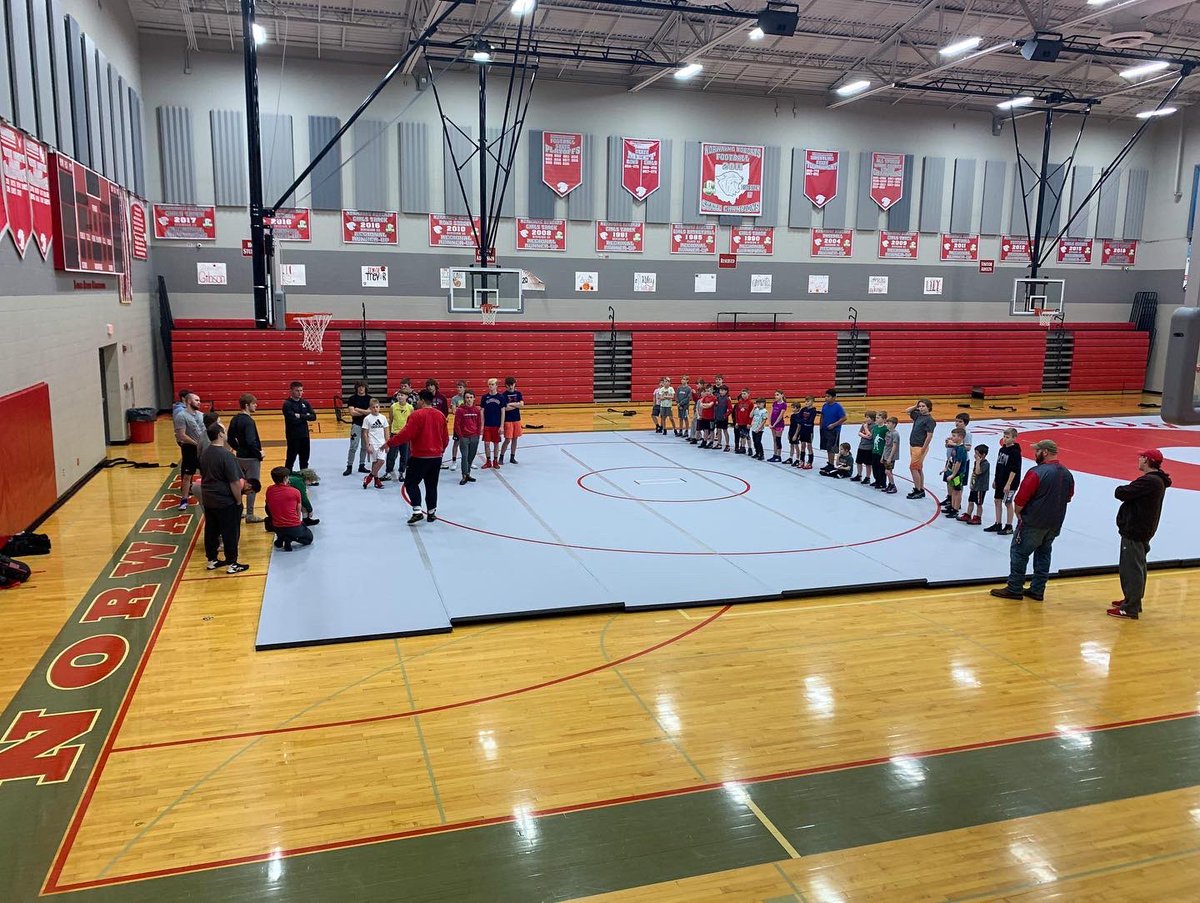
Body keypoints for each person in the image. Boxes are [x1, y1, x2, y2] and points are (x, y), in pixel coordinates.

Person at [990, 439, 1074, 603]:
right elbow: (1069, 497)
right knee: (1044, 553)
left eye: (1037, 451)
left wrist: (1019, 513)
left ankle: (1014, 588)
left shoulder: (1037, 472)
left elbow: (1021, 499)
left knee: (1019, 552)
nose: (1034, 454)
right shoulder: (1067, 473)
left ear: (1044, 452)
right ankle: (1037, 590)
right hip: (1055, 522)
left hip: (1034, 521)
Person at [1109, 449, 1171, 620]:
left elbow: (1121, 492)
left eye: (1141, 457)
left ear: (1147, 460)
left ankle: (1130, 607)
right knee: (1138, 565)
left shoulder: (1149, 481)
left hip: (1136, 529)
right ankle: (1133, 600)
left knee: (1131, 568)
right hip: (1143, 528)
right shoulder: (1156, 480)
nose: (1139, 460)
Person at [387, 389, 449, 525]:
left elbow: (406, 434)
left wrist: (390, 443)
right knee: (431, 485)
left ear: (421, 400)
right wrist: (440, 451)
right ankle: (431, 513)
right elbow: (445, 438)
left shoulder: (416, 415)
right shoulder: (440, 416)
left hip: (420, 457)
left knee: (410, 483)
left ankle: (417, 510)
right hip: (436, 457)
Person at [199, 422, 248, 574]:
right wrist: (238, 501)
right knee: (230, 532)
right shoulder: (227, 456)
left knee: (211, 530)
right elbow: (234, 482)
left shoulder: (205, 453)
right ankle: (232, 563)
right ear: (220, 434)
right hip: (225, 501)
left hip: (208, 498)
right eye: (224, 431)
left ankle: (212, 560)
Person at [227, 393, 265, 523]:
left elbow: (230, 438)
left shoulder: (235, 419)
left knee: (239, 484)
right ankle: (250, 514)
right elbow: (250, 441)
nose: (256, 405)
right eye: (254, 403)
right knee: (251, 485)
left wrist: (238, 449)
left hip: (240, 457)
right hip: (251, 458)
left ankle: (239, 511)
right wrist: (258, 453)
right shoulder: (248, 421)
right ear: (247, 405)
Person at [173, 391, 208, 512]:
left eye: (199, 400)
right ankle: (184, 500)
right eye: (196, 400)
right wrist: (196, 443)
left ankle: (207, 497)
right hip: (189, 449)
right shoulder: (181, 416)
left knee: (206, 473)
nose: (199, 402)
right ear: (189, 401)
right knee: (188, 475)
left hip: (202, 449)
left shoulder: (201, 415)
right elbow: (181, 435)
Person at [264, 466, 314, 551]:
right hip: (293, 526)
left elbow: (269, 506)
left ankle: (282, 537)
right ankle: (290, 538)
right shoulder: (295, 492)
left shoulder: (269, 490)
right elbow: (298, 512)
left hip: (277, 527)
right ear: (285, 478)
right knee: (309, 538)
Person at [985, 428, 1022, 535]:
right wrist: (995, 479)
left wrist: (1008, 484)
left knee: (1008, 502)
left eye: (1007, 437)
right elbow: (998, 466)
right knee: (997, 500)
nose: (1005, 439)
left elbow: (1014, 470)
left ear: (1014, 438)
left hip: (1010, 483)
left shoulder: (1015, 452)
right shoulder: (1002, 450)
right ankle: (998, 523)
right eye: (1004, 437)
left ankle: (1009, 526)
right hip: (1000, 480)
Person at [282, 381, 318, 471]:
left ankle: (305, 478)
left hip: (305, 435)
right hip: (293, 436)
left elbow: (313, 417)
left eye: (301, 390)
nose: (299, 393)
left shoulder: (305, 403)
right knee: (291, 459)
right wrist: (305, 416)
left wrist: (300, 415)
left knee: (305, 459)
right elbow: (292, 420)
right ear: (291, 391)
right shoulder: (287, 404)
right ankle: (286, 479)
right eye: (297, 390)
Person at [905, 399, 936, 500]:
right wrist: (916, 405)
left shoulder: (929, 420)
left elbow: (929, 436)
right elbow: (907, 411)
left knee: (913, 468)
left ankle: (918, 490)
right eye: (920, 406)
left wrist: (924, 448)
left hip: (920, 447)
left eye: (923, 406)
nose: (921, 408)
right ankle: (920, 488)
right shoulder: (918, 415)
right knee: (918, 468)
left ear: (929, 408)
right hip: (913, 445)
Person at [342, 381, 373, 477]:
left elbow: (371, 412)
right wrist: (365, 412)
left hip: (367, 426)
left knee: (364, 446)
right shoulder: (352, 398)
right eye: (359, 387)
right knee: (353, 446)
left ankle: (361, 465)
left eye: (363, 387)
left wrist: (358, 410)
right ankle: (349, 466)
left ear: (365, 388)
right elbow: (352, 413)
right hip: (356, 424)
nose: (361, 388)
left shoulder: (370, 399)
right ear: (356, 388)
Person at [383, 386, 414, 482]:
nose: (400, 397)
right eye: (399, 395)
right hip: (395, 434)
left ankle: (401, 472)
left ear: (406, 397)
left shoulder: (410, 408)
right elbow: (391, 420)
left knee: (404, 455)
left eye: (402, 395)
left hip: (405, 435)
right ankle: (388, 472)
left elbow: (411, 422)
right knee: (391, 455)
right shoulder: (393, 407)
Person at [361, 399, 389, 490]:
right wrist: (367, 445)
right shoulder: (367, 419)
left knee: (381, 461)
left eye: (377, 407)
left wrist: (387, 443)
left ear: (379, 407)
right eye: (373, 407)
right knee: (375, 462)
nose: (375, 409)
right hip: (373, 443)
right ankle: (377, 481)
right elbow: (365, 433)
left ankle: (369, 477)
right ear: (370, 408)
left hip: (382, 443)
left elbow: (386, 431)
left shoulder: (383, 418)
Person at [959, 444, 990, 525]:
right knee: (970, 501)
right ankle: (968, 514)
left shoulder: (985, 464)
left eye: (977, 453)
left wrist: (978, 462)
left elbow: (978, 472)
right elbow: (974, 474)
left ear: (983, 455)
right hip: (974, 486)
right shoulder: (976, 462)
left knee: (979, 503)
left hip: (980, 487)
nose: (975, 455)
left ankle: (978, 517)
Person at [456, 390, 482, 485]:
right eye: (467, 397)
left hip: (474, 437)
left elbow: (479, 423)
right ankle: (464, 476)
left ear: (474, 398)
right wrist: (461, 436)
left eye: (471, 397)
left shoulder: (477, 410)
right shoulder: (460, 410)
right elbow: (457, 425)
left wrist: (478, 435)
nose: (469, 399)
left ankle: (468, 474)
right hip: (464, 438)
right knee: (465, 456)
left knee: (471, 457)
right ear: (464, 399)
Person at [818, 389, 846, 474]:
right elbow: (822, 416)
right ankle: (829, 463)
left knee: (832, 448)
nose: (826, 398)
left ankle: (832, 464)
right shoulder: (824, 406)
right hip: (825, 429)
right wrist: (820, 426)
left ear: (834, 397)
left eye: (828, 396)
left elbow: (844, 418)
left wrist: (834, 425)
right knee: (827, 447)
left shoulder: (838, 407)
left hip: (834, 430)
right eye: (825, 396)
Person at [480, 378, 506, 469]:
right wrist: (482, 425)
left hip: (496, 424)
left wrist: (502, 426)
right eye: (489, 384)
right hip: (487, 424)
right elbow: (482, 411)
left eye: (492, 384)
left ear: (496, 386)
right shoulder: (484, 397)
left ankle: (495, 461)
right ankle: (488, 461)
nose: (490, 386)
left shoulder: (501, 397)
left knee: (496, 443)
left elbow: (503, 412)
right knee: (486, 443)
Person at [942, 428, 968, 518]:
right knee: (953, 490)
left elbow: (958, 463)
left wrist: (953, 474)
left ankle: (956, 509)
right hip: (953, 471)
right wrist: (946, 468)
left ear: (960, 437)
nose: (952, 438)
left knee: (957, 491)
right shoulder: (956, 447)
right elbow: (952, 460)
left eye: (954, 436)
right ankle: (952, 507)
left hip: (958, 474)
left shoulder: (961, 449)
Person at [499, 376, 524, 465]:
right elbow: (505, 408)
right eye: (508, 385)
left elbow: (521, 404)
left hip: (516, 419)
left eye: (512, 385)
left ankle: (512, 457)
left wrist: (511, 404)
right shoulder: (503, 395)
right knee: (508, 439)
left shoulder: (518, 393)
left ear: (514, 384)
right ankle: (501, 456)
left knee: (515, 439)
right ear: (506, 385)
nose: (510, 387)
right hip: (508, 420)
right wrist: (516, 405)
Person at [448, 380, 467, 470]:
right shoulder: (454, 399)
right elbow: (454, 411)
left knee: (468, 443)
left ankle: (467, 461)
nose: (459, 389)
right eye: (458, 387)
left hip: (467, 423)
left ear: (464, 388)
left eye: (461, 387)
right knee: (456, 442)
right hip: (458, 424)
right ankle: (454, 461)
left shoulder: (468, 397)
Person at [853, 410, 876, 481]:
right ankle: (859, 475)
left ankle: (867, 477)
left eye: (868, 417)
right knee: (858, 462)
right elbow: (859, 433)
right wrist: (865, 435)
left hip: (868, 448)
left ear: (872, 418)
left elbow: (870, 436)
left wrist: (865, 429)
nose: (866, 419)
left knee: (868, 464)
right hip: (861, 446)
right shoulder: (864, 424)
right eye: (866, 417)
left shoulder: (874, 426)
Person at [879, 416, 900, 493]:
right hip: (886, 454)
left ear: (894, 424)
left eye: (888, 423)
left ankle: (893, 485)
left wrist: (890, 457)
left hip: (891, 456)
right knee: (889, 471)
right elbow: (886, 445)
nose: (886, 424)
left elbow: (894, 446)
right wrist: (883, 456)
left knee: (887, 471)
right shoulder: (888, 433)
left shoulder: (895, 434)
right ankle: (890, 485)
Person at [869, 411, 888, 488]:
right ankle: (877, 480)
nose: (876, 419)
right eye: (876, 418)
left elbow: (887, 441)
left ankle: (882, 482)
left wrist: (884, 453)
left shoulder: (885, 429)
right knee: (875, 467)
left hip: (881, 451)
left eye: (878, 418)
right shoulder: (875, 428)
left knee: (881, 468)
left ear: (883, 419)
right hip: (874, 450)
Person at [797, 396, 817, 470]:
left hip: (809, 430)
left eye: (808, 401)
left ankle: (810, 462)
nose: (806, 403)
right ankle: (802, 461)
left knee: (809, 446)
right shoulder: (803, 409)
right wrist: (803, 421)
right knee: (802, 445)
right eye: (805, 401)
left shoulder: (813, 411)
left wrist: (802, 421)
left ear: (812, 402)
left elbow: (810, 420)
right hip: (803, 430)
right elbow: (798, 418)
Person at [768, 391, 787, 462]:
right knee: (774, 440)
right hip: (772, 424)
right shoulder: (774, 403)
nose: (776, 396)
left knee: (778, 440)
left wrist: (774, 424)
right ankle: (775, 454)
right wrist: (769, 423)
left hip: (779, 425)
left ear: (782, 395)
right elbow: (771, 413)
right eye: (775, 395)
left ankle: (779, 456)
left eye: (777, 395)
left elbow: (780, 416)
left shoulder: (783, 405)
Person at [733, 388, 753, 455]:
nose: (743, 395)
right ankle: (743, 448)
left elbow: (751, 414)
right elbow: (737, 413)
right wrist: (737, 422)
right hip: (740, 422)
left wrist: (749, 423)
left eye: (744, 394)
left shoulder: (750, 403)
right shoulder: (739, 402)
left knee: (747, 436)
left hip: (746, 422)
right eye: (742, 394)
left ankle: (750, 448)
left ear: (748, 394)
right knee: (742, 436)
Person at [696, 383, 716, 448]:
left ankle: (711, 442)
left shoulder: (714, 398)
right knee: (705, 430)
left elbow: (710, 405)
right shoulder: (705, 398)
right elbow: (701, 405)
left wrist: (706, 405)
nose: (707, 392)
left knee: (712, 430)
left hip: (711, 417)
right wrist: (706, 405)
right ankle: (704, 441)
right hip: (705, 417)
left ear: (712, 391)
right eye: (706, 391)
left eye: (709, 391)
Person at [713, 385, 732, 451]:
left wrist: (725, 416)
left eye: (722, 390)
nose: (721, 392)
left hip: (723, 418)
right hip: (718, 417)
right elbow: (715, 407)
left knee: (725, 431)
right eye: (720, 390)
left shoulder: (727, 399)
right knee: (718, 430)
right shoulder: (717, 398)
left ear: (726, 391)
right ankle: (719, 443)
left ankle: (727, 445)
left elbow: (730, 409)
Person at [786, 400, 803, 465]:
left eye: (794, 408)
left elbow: (799, 426)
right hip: (791, 431)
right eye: (792, 407)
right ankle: (790, 457)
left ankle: (797, 459)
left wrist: (796, 435)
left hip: (796, 432)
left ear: (798, 408)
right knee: (791, 445)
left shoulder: (799, 416)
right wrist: (789, 433)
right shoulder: (792, 415)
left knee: (796, 446)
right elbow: (791, 425)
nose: (792, 409)